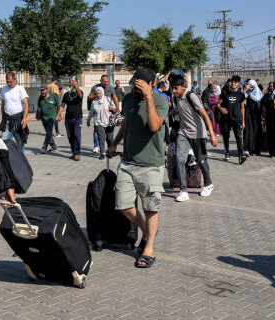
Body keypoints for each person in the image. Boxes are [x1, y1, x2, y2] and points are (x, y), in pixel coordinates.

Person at [106, 68, 168, 269]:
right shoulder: (128, 100)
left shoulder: (160, 101)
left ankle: (149, 248)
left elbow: (154, 126)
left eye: (140, 86)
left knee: (151, 208)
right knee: (123, 205)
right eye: (134, 84)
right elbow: (126, 123)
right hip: (128, 162)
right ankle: (146, 230)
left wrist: (149, 97)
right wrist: (115, 142)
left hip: (151, 164)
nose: (134, 89)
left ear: (151, 85)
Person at [170, 76, 218, 202]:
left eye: (176, 88)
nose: (174, 91)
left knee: (201, 160)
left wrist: (212, 134)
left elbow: (204, 115)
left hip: (198, 133)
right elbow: (180, 112)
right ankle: (183, 190)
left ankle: (208, 184)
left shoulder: (191, 96)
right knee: (179, 159)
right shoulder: (175, 98)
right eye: (172, 88)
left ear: (183, 86)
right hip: (184, 132)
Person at [217, 75, 247, 164]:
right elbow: (218, 105)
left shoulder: (241, 94)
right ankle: (227, 152)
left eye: (235, 82)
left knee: (239, 137)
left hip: (237, 119)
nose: (233, 83)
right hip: (226, 119)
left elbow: (242, 108)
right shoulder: (225, 93)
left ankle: (241, 156)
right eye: (232, 82)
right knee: (226, 136)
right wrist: (221, 109)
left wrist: (243, 121)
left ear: (238, 84)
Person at [0, 72, 29, 153]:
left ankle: (22, 162)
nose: (9, 83)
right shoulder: (4, 89)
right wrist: (2, 116)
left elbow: (26, 104)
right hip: (7, 119)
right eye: (7, 81)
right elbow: (3, 103)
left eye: (10, 81)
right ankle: (7, 161)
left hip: (18, 120)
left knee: (20, 143)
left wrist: (24, 118)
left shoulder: (20, 89)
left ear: (15, 80)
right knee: (3, 141)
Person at [58, 77, 84, 161]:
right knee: (70, 136)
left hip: (77, 118)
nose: (72, 83)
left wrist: (77, 87)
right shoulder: (66, 94)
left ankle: (77, 154)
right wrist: (58, 114)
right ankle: (74, 152)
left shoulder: (80, 92)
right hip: (68, 119)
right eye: (71, 82)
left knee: (77, 136)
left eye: (73, 81)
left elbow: (80, 96)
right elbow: (62, 105)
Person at [87, 86, 116, 160]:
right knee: (101, 139)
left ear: (103, 93)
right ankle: (102, 153)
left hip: (109, 122)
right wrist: (88, 120)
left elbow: (114, 107)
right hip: (98, 122)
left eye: (100, 93)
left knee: (110, 139)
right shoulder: (94, 102)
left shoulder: (108, 99)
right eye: (97, 93)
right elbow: (91, 112)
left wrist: (113, 108)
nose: (99, 95)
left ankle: (110, 151)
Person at [37, 84, 60, 154]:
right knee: (48, 133)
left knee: (48, 133)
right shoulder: (40, 97)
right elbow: (39, 107)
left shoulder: (53, 96)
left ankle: (44, 147)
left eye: (43, 90)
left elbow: (58, 106)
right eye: (41, 90)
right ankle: (53, 146)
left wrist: (58, 115)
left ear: (47, 90)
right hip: (44, 118)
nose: (42, 92)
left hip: (51, 118)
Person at [243, 79, 263, 156]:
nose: (251, 87)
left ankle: (256, 149)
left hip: (257, 115)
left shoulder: (259, 93)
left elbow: (262, 104)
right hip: (248, 115)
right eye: (250, 85)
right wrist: (246, 89)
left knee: (257, 132)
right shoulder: (247, 93)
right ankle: (247, 149)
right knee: (248, 131)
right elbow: (241, 97)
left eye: (252, 85)